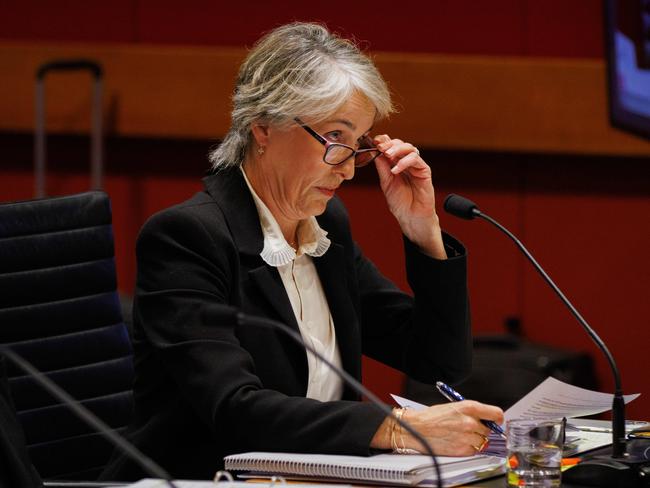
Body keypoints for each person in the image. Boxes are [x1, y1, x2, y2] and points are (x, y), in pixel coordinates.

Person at [101, 22, 503, 481]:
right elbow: (236, 409)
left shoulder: (325, 229)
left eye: (360, 144)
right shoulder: (187, 238)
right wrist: (399, 428)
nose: (350, 169)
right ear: (263, 128)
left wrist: (423, 232)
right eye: (336, 138)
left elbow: (438, 362)